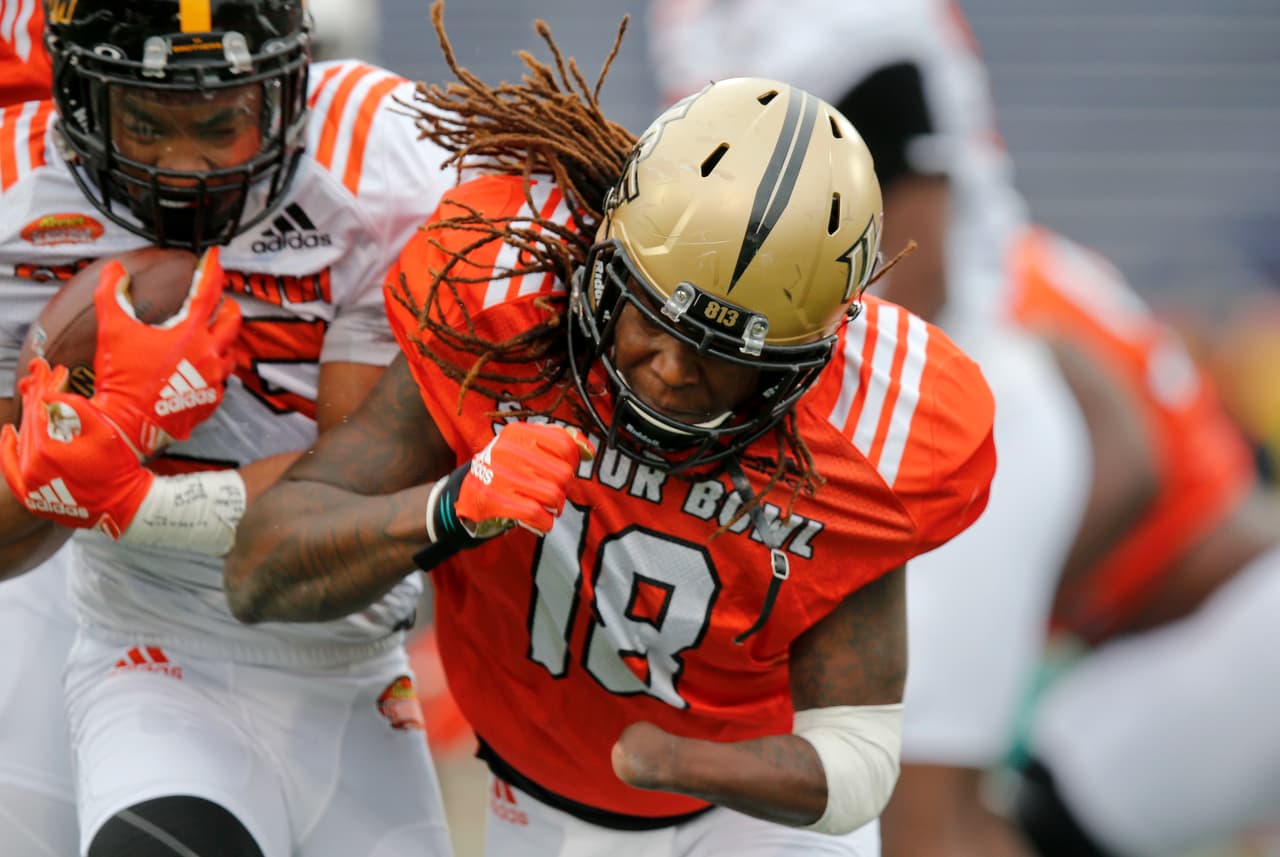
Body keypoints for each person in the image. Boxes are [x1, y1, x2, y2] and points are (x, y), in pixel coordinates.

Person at [225, 6, 998, 856]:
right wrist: (447, 507)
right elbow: (261, 573)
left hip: (754, 823)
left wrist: (681, 760)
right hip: (541, 806)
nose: (667, 367)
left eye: (719, 353)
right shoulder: (509, 311)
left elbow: (854, 758)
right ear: (601, 265)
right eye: (649, 317)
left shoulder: (867, 435)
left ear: (798, 366)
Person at [0, 2, 458, 855]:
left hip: (354, 669)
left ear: (287, 95)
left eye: (218, 124)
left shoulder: (382, 164)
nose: (181, 169)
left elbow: (348, 496)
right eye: (143, 123)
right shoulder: (20, 198)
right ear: (77, 95)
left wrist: (122, 490)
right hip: (153, 655)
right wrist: (54, 463)